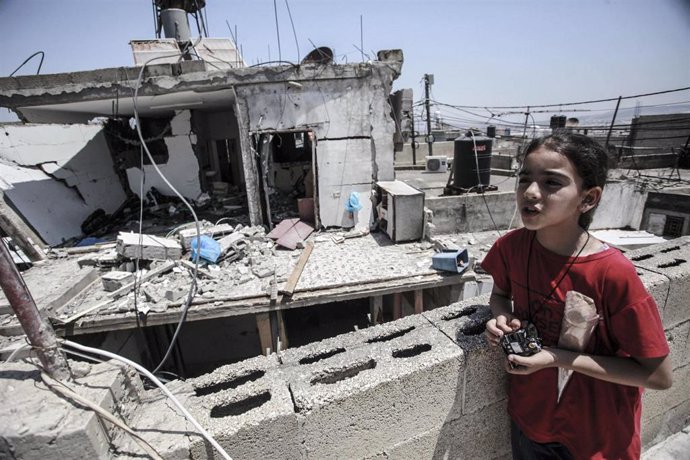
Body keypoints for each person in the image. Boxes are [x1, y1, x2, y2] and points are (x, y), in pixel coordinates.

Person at [482, 132, 672, 459]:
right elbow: (500, 294)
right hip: (532, 422)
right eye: (524, 178)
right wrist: (501, 317)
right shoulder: (510, 247)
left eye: (552, 183)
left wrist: (556, 357)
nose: (529, 192)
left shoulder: (612, 273)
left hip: (597, 438)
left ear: (588, 199)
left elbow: (658, 375)